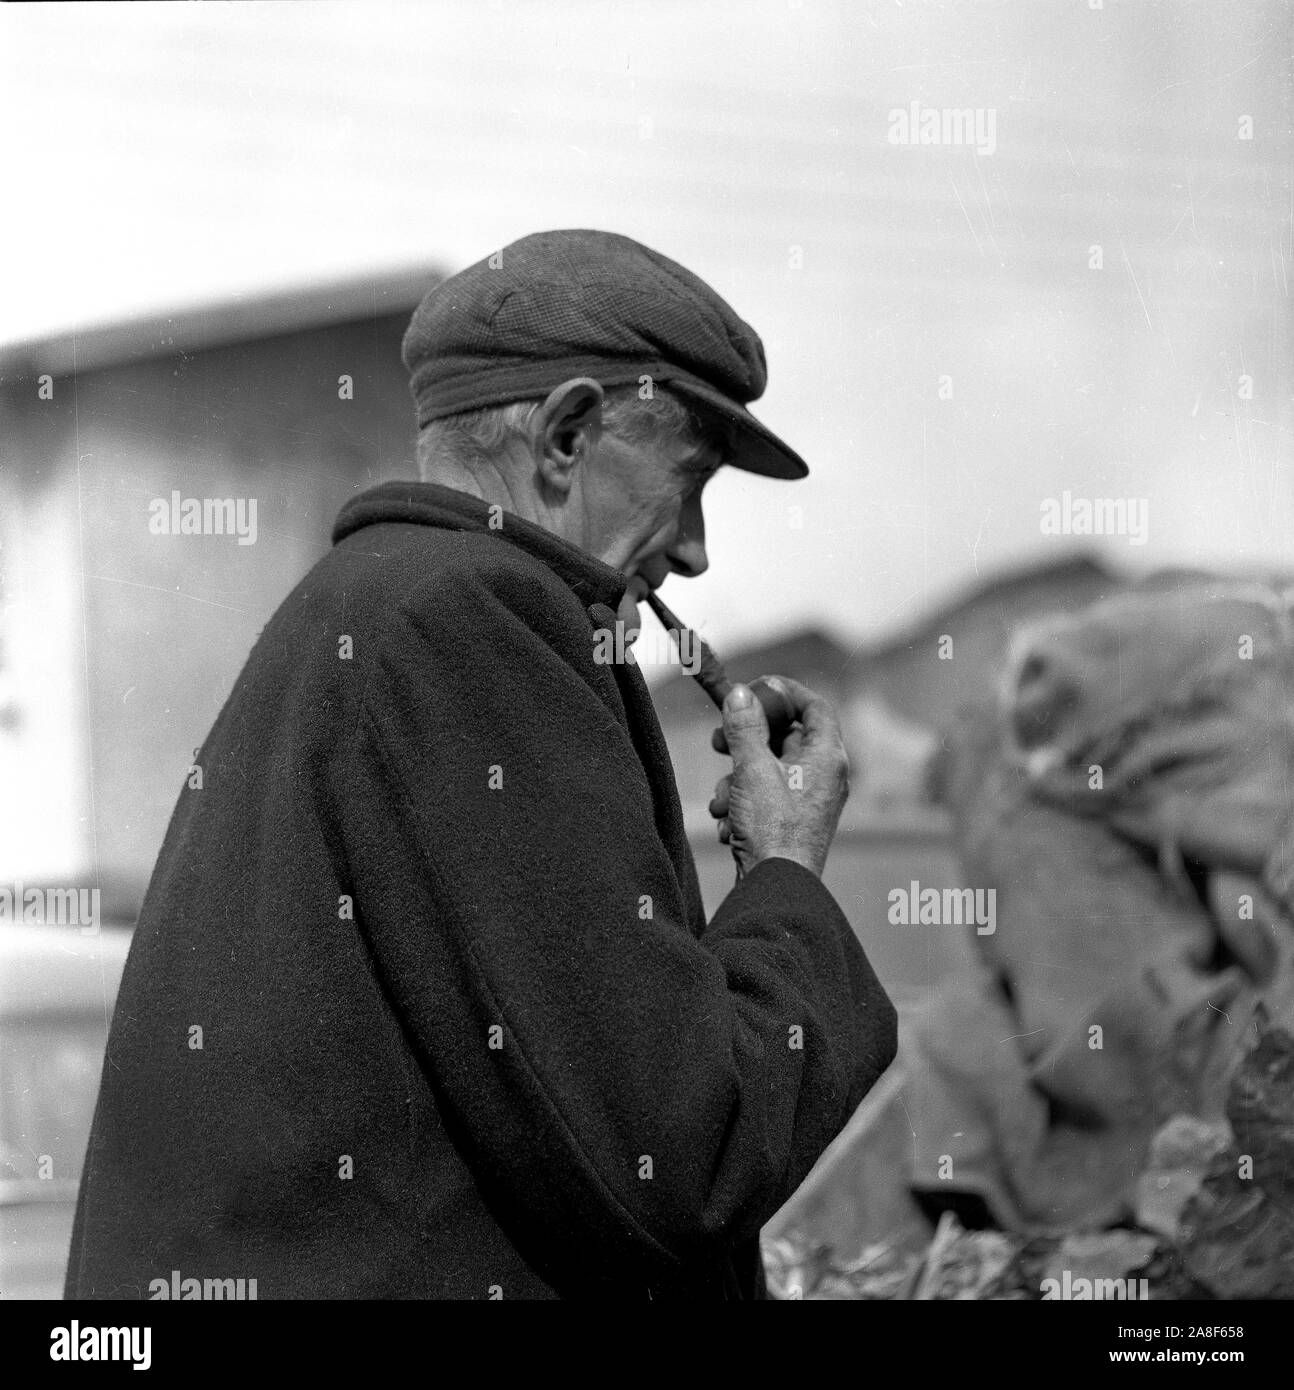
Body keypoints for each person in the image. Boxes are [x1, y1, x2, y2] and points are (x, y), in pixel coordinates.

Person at [66, 229, 896, 1300]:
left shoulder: (366, 605)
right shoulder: (479, 621)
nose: (694, 549)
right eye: (687, 481)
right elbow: (685, 1153)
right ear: (564, 435)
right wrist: (786, 874)